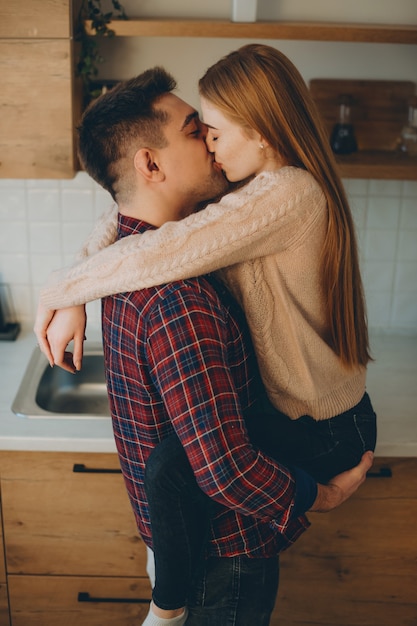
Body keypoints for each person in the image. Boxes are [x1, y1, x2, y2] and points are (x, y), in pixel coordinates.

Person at [41, 64, 373, 626]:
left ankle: (164, 606)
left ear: (260, 131)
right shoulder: (173, 292)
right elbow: (127, 222)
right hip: (220, 542)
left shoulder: (281, 195)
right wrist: (71, 288)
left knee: (173, 465)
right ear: (151, 164)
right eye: (199, 132)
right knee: (176, 466)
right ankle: (166, 606)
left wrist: (63, 289)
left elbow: (153, 243)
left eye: (211, 130)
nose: (211, 147)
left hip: (318, 423)